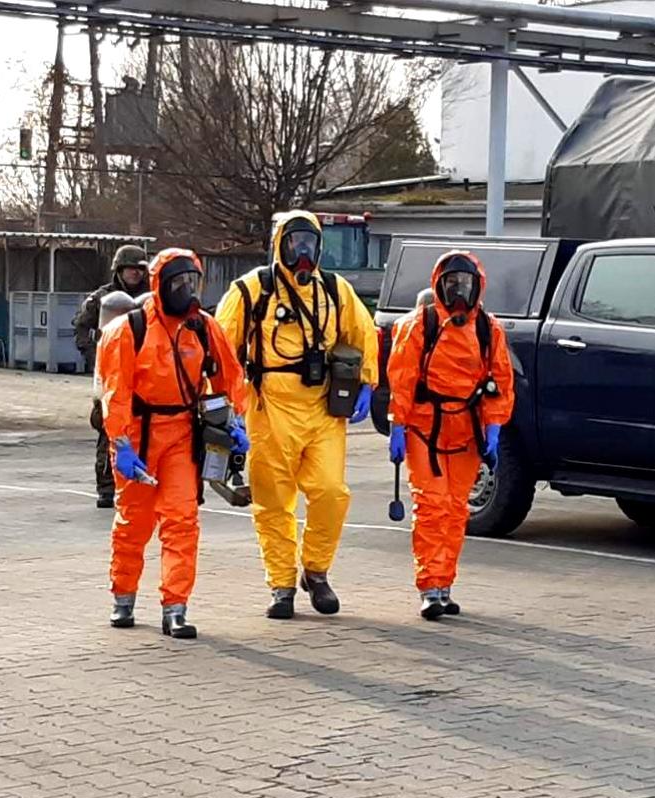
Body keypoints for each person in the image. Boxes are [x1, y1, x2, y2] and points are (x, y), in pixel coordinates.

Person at [216, 211, 379, 619]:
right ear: (279, 245)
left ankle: (316, 570)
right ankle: (282, 584)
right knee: (273, 502)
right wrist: (224, 407)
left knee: (330, 492)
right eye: (295, 243)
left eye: (309, 242)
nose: (302, 252)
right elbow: (220, 350)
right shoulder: (252, 291)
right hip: (268, 408)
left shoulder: (334, 291)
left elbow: (364, 333)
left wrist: (367, 383)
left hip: (323, 410)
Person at [98, 248, 248, 639]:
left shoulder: (202, 327)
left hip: (182, 431)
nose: (186, 290)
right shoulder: (128, 330)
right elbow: (115, 393)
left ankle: (175, 607)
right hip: (138, 434)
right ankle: (123, 597)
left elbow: (231, 375)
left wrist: (237, 420)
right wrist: (121, 445)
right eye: (178, 282)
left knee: (182, 522)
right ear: (159, 285)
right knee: (133, 523)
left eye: (192, 282)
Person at [387, 251, 515, 620]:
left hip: (466, 430)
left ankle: (444, 584)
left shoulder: (488, 330)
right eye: (452, 285)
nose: (459, 293)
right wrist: (398, 424)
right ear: (439, 286)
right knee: (432, 507)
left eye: (465, 285)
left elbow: (500, 382)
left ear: (478, 288)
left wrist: (493, 427)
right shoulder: (419, 325)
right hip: (425, 429)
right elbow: (402, 379)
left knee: (456, 510)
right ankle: (430, 586)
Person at [76, 245, 152, 507]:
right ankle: (107, 487)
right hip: (110, 373)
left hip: (145, 372)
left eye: (139, 269)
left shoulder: (153, 299)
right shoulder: (102, 299)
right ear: (119, 269)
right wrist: (96, 358)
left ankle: (140, 480)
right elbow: (81, 328)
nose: (134, 273)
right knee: (108, 424)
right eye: (130, 268)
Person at [88, 289, 149, 507]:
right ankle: (106, 488)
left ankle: (125, 484)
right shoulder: (108, 338)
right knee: (108, 443)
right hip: (107, 399)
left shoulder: (129, 334)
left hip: (123, 400)